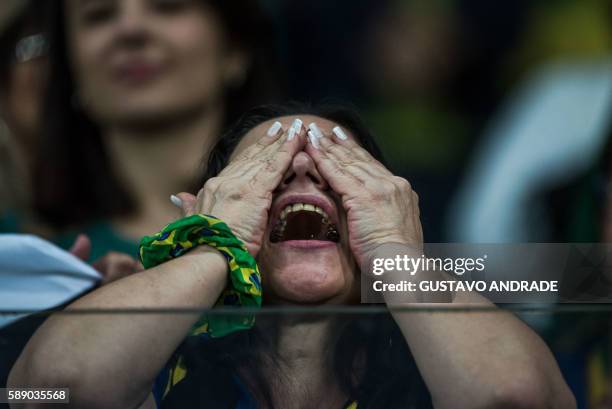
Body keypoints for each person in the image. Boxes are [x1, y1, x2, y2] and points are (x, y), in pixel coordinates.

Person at [9, 103, 575, 409]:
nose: (303, 169)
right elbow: (57, 390)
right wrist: (215, 249)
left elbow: (513, 398)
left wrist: (394, 253)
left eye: (340, 169)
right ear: (210, 206)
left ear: (391, 207)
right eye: (267, 172)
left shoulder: (439, 372)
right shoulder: (155, 367)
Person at [30, 0, 282, 260]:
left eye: (168, 6)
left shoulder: (300, 237)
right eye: (99, 15)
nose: (130, 29)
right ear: (68, 66)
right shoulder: (31, 261)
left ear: (235, 49)